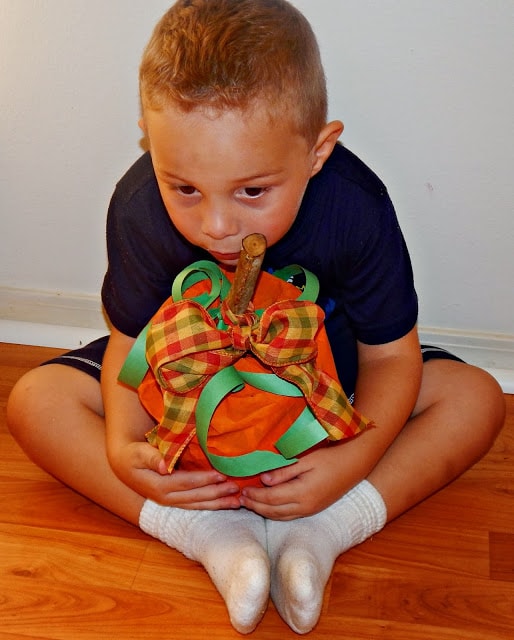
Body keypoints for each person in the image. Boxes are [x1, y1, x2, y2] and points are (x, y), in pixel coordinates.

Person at [7, 0, 505, 635]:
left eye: (252, 191)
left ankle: (325, 530)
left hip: (329, 398)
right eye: (183, 186)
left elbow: (390, 357)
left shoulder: (355, 206)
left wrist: (352, 462)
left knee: (477, 399)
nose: (215, 225)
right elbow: (129, 344)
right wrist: (125, 448)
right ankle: (208, 532)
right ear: (149, 141)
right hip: (182, 408)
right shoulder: (137, 204)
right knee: (34, 400)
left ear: (318, 152)